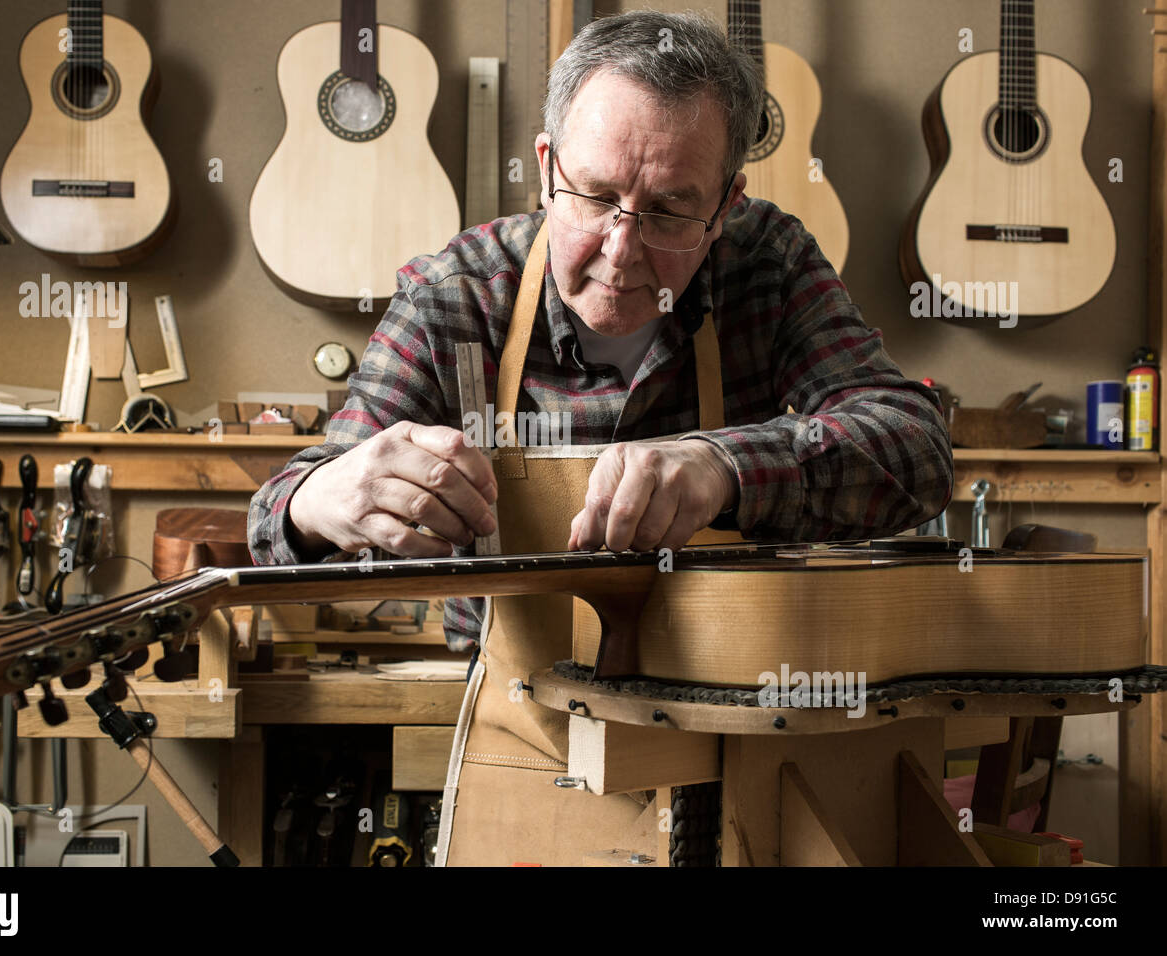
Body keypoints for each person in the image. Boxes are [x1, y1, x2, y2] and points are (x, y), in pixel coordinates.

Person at [248, 10, 952, 865]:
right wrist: (328, 498)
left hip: (744, 737)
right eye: (595, 197)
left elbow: (914, 449)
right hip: (529, 743)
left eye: (667, 211)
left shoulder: (769, 264)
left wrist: (722, 465)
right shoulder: (459, 294)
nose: (621, 249)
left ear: (728, 204)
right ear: (547, 169)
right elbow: (275, 520)